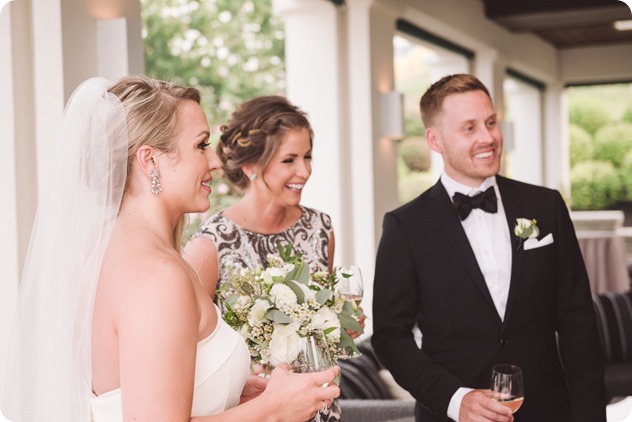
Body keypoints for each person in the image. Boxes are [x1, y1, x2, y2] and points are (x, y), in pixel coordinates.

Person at [1, 75, 339, 422]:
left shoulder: (104, 252)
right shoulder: (156, 275)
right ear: (150, 161)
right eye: (201, 145)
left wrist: (234, 391)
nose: (215, 163)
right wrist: (273, 410)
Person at [371, 73, 606, 422]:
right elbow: (390, 337)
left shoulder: (546, 206)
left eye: (491, 122)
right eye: (469, 128)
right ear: (435, 140)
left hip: (548, 411)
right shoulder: (405, 226)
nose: (489, 137)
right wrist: (455, 399)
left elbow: (578, 322)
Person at [184, 95, 342, 422]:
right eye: (289, 160)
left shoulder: (320, 229)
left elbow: (323, 324)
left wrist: (340, 323)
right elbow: (192, 354)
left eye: (308, 156)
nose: (305, 170)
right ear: (251, 166)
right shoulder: (210, 245)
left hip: (320, 406)